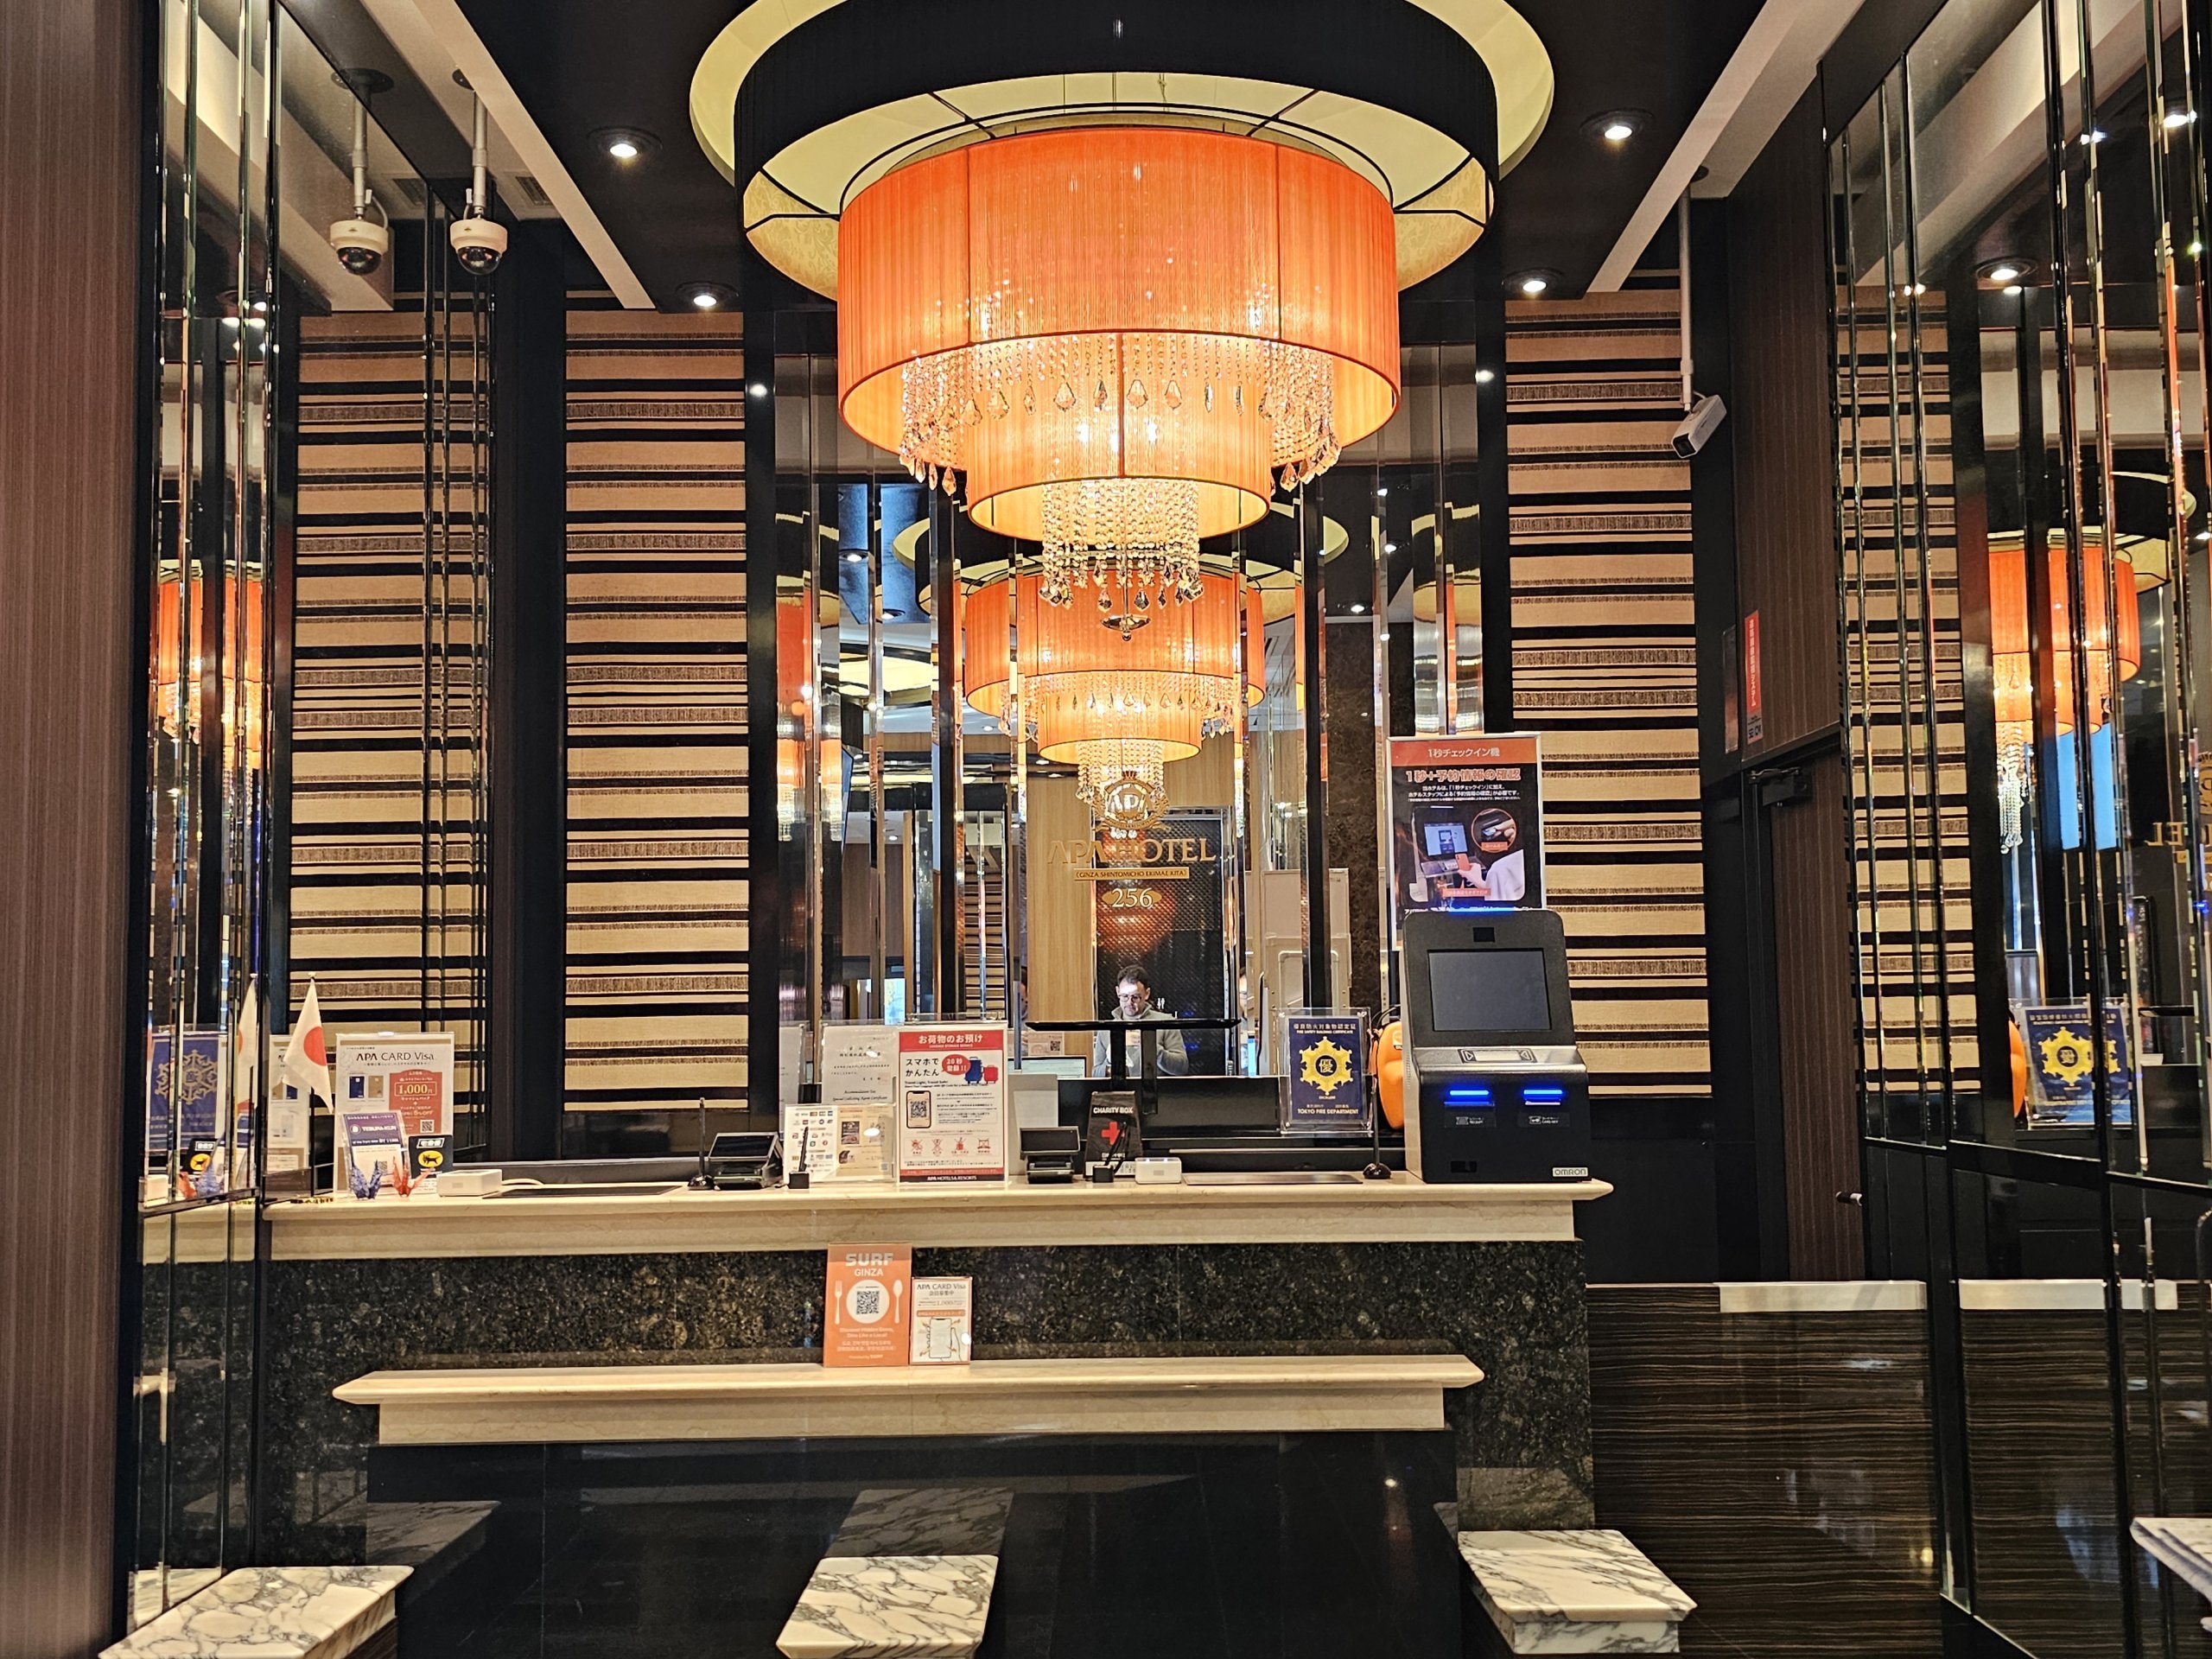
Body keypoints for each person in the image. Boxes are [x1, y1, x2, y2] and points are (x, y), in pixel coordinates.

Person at [1091, 963, 1188, 1077]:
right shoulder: (1106, 1030)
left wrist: (1152, 1048)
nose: (1129, 1002)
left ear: (1147, 994)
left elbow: (1182, 1068)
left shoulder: (1166, 1023)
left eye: (1135, 997)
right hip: (1121, 1088)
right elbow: (1095, 1074)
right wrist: (1110, 1061)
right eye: (1124, 996)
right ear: (1117, 992)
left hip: (1156, 1087)